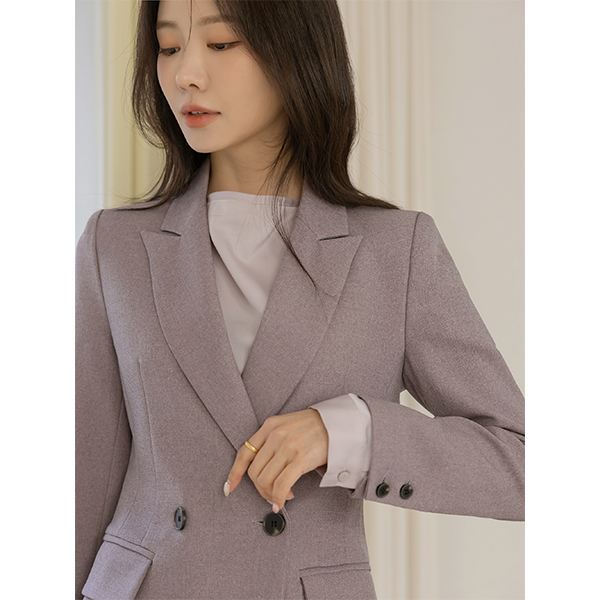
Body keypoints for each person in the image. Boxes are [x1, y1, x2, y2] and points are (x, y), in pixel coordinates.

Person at [75, 0, 525, 598]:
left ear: (296, 51)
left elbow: (522, 461)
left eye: (221, 43)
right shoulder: (114, 246)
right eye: (169, 46)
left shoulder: (394, 251)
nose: (186, 74)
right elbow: (82, 483)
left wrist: (350, 432)